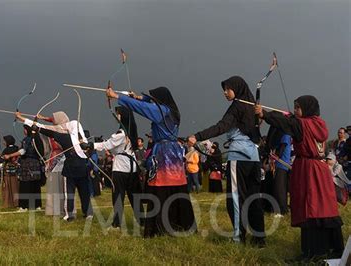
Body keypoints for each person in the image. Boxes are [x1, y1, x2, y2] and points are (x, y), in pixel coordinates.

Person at [255, 95, 344, 260]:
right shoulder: (319, 123)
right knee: (325, 207)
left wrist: (264, 114)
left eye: (298, 107)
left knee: (310, 207)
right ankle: (332, 249)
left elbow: (285, 123)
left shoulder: (301, 124)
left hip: (309, 170)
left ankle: (313, 253)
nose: (295, 111)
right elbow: (289, 121)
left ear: (307, 108)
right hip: (321, 169)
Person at [107, 85, 196, 237]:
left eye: (154, 99)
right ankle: (179, 224)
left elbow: (142, 108)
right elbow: (147, 103)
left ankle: (161, 228)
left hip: (163, 154)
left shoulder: (161, 111)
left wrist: (117, 96)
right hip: (173, 154)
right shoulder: (171, 111)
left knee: (160, 189)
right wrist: (139, 97)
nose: (152, 102)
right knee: (176, 188)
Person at [188, 76, 264, 246]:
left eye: (227, 89)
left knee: (236, 199)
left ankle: (238, 238)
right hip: (253, 158)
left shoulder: (237, 106)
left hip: (239, 158)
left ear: (237, 88)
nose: (225, 92)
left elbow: (221, 126)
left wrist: (197, 136)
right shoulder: (252, 106)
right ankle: (260, 239)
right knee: (254, 198)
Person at [16, 111, 93, 220]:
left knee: (69, 193)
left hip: (70, 167)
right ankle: (88, 213)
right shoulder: (82, 139)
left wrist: (30, 123)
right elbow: (50, 126)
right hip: (82, 166)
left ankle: (69, 214)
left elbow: (45, 129)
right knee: (84, 191)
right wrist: (39, 119)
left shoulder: (64, 137)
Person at [87, 106, 144, 229]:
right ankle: (142, 222)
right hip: (132, 169)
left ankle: (117, 224)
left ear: (122, 116)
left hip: (121, 169)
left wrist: (91, 145)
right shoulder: (132, 131)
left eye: (119, 114)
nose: (117, 116)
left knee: (118, 196)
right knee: (134, 197)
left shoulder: (121, 133)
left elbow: (108, 144)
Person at [4, 126, 45, 211]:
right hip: (36, 165)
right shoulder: (37, 139)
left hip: (27, 165)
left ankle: (24, 206)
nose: (24, 131)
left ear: (27, 130)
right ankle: (37, 206)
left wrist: (10, 155)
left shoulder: (27, 139)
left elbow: (23, 151)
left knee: (25, 185)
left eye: (25, 129)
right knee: (35, 185)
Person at [37, 112, 68, 216]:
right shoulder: (53, 131)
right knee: (53, 184)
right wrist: (41, 119)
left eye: (55, 119)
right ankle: (53, 209)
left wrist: (43, 119)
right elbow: (48, 128)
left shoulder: (66, 129)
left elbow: (53, 126)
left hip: (64, 159)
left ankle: (65, 209)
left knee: (63, 185)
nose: (53, 120)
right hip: (53, 159)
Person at [0, 135, 20, 208]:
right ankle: (16, 202)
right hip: (16, 171)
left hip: (8, 171)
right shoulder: (17, 148)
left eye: (4, 141)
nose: (3, 142)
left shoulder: (6, 150)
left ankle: (8, 203)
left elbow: (1, 159)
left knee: (7, 187)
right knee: (16, 186)